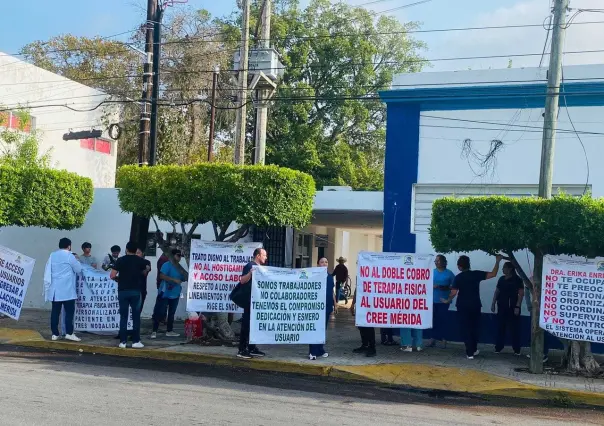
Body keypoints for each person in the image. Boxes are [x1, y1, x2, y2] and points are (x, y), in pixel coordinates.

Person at [442, 254, 502, 360]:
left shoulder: (458, 278)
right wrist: (497, 261)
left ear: (459, 266)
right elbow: (493, 274)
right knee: (475, 328)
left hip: (462, 306)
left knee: (466, 329)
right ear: (468, 265)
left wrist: (447, 300)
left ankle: (469, 352)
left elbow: (453, 292)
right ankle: (473, 349)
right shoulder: (476, 274)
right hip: (475, 305)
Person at [110, 242, 149, 349]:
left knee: (124, 316)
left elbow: (112, 275)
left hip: (122, 291)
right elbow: (145, 272)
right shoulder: (140, 260)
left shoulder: (120, 260)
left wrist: (120, 279)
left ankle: (122, 341)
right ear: (136, 250)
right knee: (136, 316)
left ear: (126, 249)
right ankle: (136, 341)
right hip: (136, 291)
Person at [43, 238, 83, 342]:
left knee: (55, 313)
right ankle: (69, 333)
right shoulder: (70, 256)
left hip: (55, 291)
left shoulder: (53, 255)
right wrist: (77, 260)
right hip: (67, 290)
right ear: (69, 246)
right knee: (69, 313)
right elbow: (78, 269)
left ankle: (55, 334)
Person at [237, 248, 268, 359]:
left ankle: (252, 348)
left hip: (257, 301)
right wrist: (250, 273)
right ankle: (242, 350)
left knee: (253, 326)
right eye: (264, 255)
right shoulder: (250, 266)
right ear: (258, 256)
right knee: (246, 325)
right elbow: (242, 280)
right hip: (249, 301)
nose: (266, 257)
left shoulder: (260, 268)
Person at [151, 249, 185, 339]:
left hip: (175, 292)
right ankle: (154, 330)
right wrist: (173, 280)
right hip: (165, 292)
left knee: (171, 313)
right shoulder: (167, 265)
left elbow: (183, 277)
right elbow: (161, 276)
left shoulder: (179, 267)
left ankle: (169, 330)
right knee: (160, 311)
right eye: (178, 255)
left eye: (181, 256)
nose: (179, 257)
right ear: (173, 255)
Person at [491, 262, 524, 355]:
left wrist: (518, 306)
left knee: (514, 328)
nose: (502, 270)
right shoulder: (501, 279)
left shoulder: (517, 280)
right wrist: (493, 303)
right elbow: (497, 291)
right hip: (502, 306)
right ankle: (498, 347)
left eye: (504, 268)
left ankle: (516, 349)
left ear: (509, 269)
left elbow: (521, 293)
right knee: (501, 327)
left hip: (513, 307)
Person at [309, 257, 337, 360]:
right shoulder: (314, 276)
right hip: (317, 307)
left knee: (322, 329)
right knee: (315, 328)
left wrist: (335, 304)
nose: (324, 264)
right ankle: (312, 351)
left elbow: (332, 291)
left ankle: (320, 350)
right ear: (318, 264)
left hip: (327, 306)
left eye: (326, 262)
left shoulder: (330, 276)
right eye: (322, 262)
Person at [429, 254, 456, 348]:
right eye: (435, 261)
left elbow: (454, 286)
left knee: (442, 320)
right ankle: (433, 339)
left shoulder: (449, 273)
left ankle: (444, 339)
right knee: (433, 320)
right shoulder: (432, 272)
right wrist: (432, 286)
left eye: (438, 261)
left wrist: (445, 287)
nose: (436, 262)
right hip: (432, 300)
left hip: (444, 301)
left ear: (443, 262)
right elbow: (426, 284)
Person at [351, 287, 376, 357]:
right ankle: (365, 345)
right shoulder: (359, 277)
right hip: (361, 304)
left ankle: (372, 347)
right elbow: (357, 289)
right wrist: (353, 303)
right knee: (361, 326)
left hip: (369, 304)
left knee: (368, 326)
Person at [136, 248, 152, 313]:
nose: (136, 254)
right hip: (131, 288)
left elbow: (145, 273)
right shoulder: (129, 262)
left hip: (141, 288)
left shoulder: (146, 262)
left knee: (139, 307)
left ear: (142, 254)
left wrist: (145, 270)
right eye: (135, 252)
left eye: (138, 252)